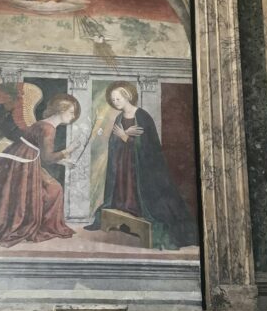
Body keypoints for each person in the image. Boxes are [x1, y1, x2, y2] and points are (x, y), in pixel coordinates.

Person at [85, 81, 198, 250]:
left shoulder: (142, 116)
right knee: (123, 187)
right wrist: (124, 136)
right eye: (113, 100)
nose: (115, 102)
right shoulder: (119, 117)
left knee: (137, 189)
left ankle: (137, 208)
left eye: (118, 98)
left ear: (127, 96)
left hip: (140, 166)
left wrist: (125, 136)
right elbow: (113, 141)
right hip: (123, 163)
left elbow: (148, 146)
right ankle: (125, 206)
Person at [0, 94, 80, 246]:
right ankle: (36, 224)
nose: (73, 116)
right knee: (53, 189)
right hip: (21, 164)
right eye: (71, 112)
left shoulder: (43, 124)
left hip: (18, 159)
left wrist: (64, 162)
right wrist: (68, 150)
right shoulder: (49, 129)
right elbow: (47, 157)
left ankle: (35, 221)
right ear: (60, 110)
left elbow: (39, 153)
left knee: (53, 188)